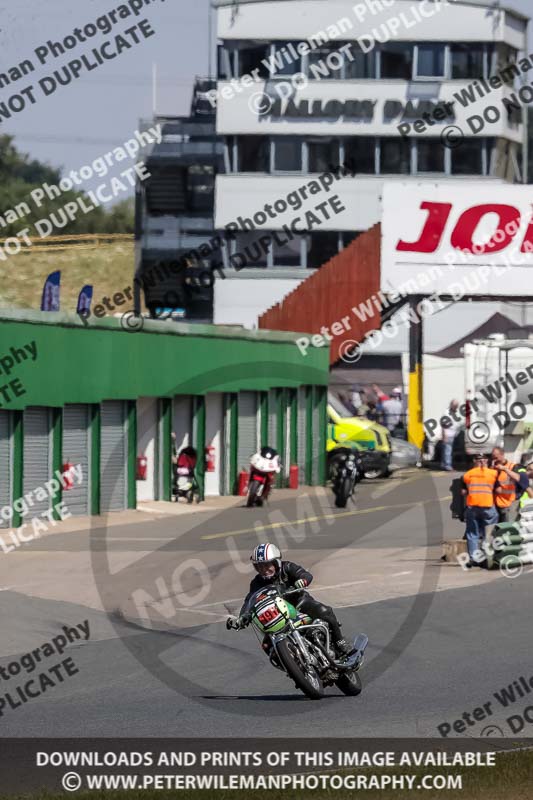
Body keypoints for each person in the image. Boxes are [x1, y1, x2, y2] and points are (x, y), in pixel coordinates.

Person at [231, 543, 352, 657]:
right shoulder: (256, 583)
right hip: (277, 615)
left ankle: (339, 642)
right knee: (267, 646)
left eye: (267, 565)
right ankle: (294, 666)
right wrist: (242, 617)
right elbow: (249, 601)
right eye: (260, 566)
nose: (264, 569)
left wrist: (302, 580)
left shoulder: (287, 567)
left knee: (324, 611)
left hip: (299, 604)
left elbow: (305, 574)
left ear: (276, 563)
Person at [461, 454, 499, 568]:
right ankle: (488, 558)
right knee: (488, 533)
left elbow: (463, 493)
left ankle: (474, 559)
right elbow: (498, 489)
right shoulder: (493, 474)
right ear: (486, 461)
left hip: (472, 507)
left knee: (472, 534)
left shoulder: (467, 475)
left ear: (474, 461)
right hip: (488, 506)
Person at [490, 447, 529, 523]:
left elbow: (521, 480)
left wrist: (505, 469)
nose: (494, 460)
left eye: (496, 457)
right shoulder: (492, 468)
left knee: (508, 528)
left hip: (509, 504)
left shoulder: (513, 467)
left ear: (502, 455)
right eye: (493, 458)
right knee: (497, 530)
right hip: (495, 505)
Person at [440, 399, 462, 471]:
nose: (456, 407)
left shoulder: (454, 412)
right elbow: (443, 425)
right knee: (448, 451)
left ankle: (443, 465)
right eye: (455, 405)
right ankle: (448, 466)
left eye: (457, 406)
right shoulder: (447, 413)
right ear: (451, 405)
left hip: (452, 434)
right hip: (448, 434)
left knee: (446, 451)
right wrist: (444, 435)